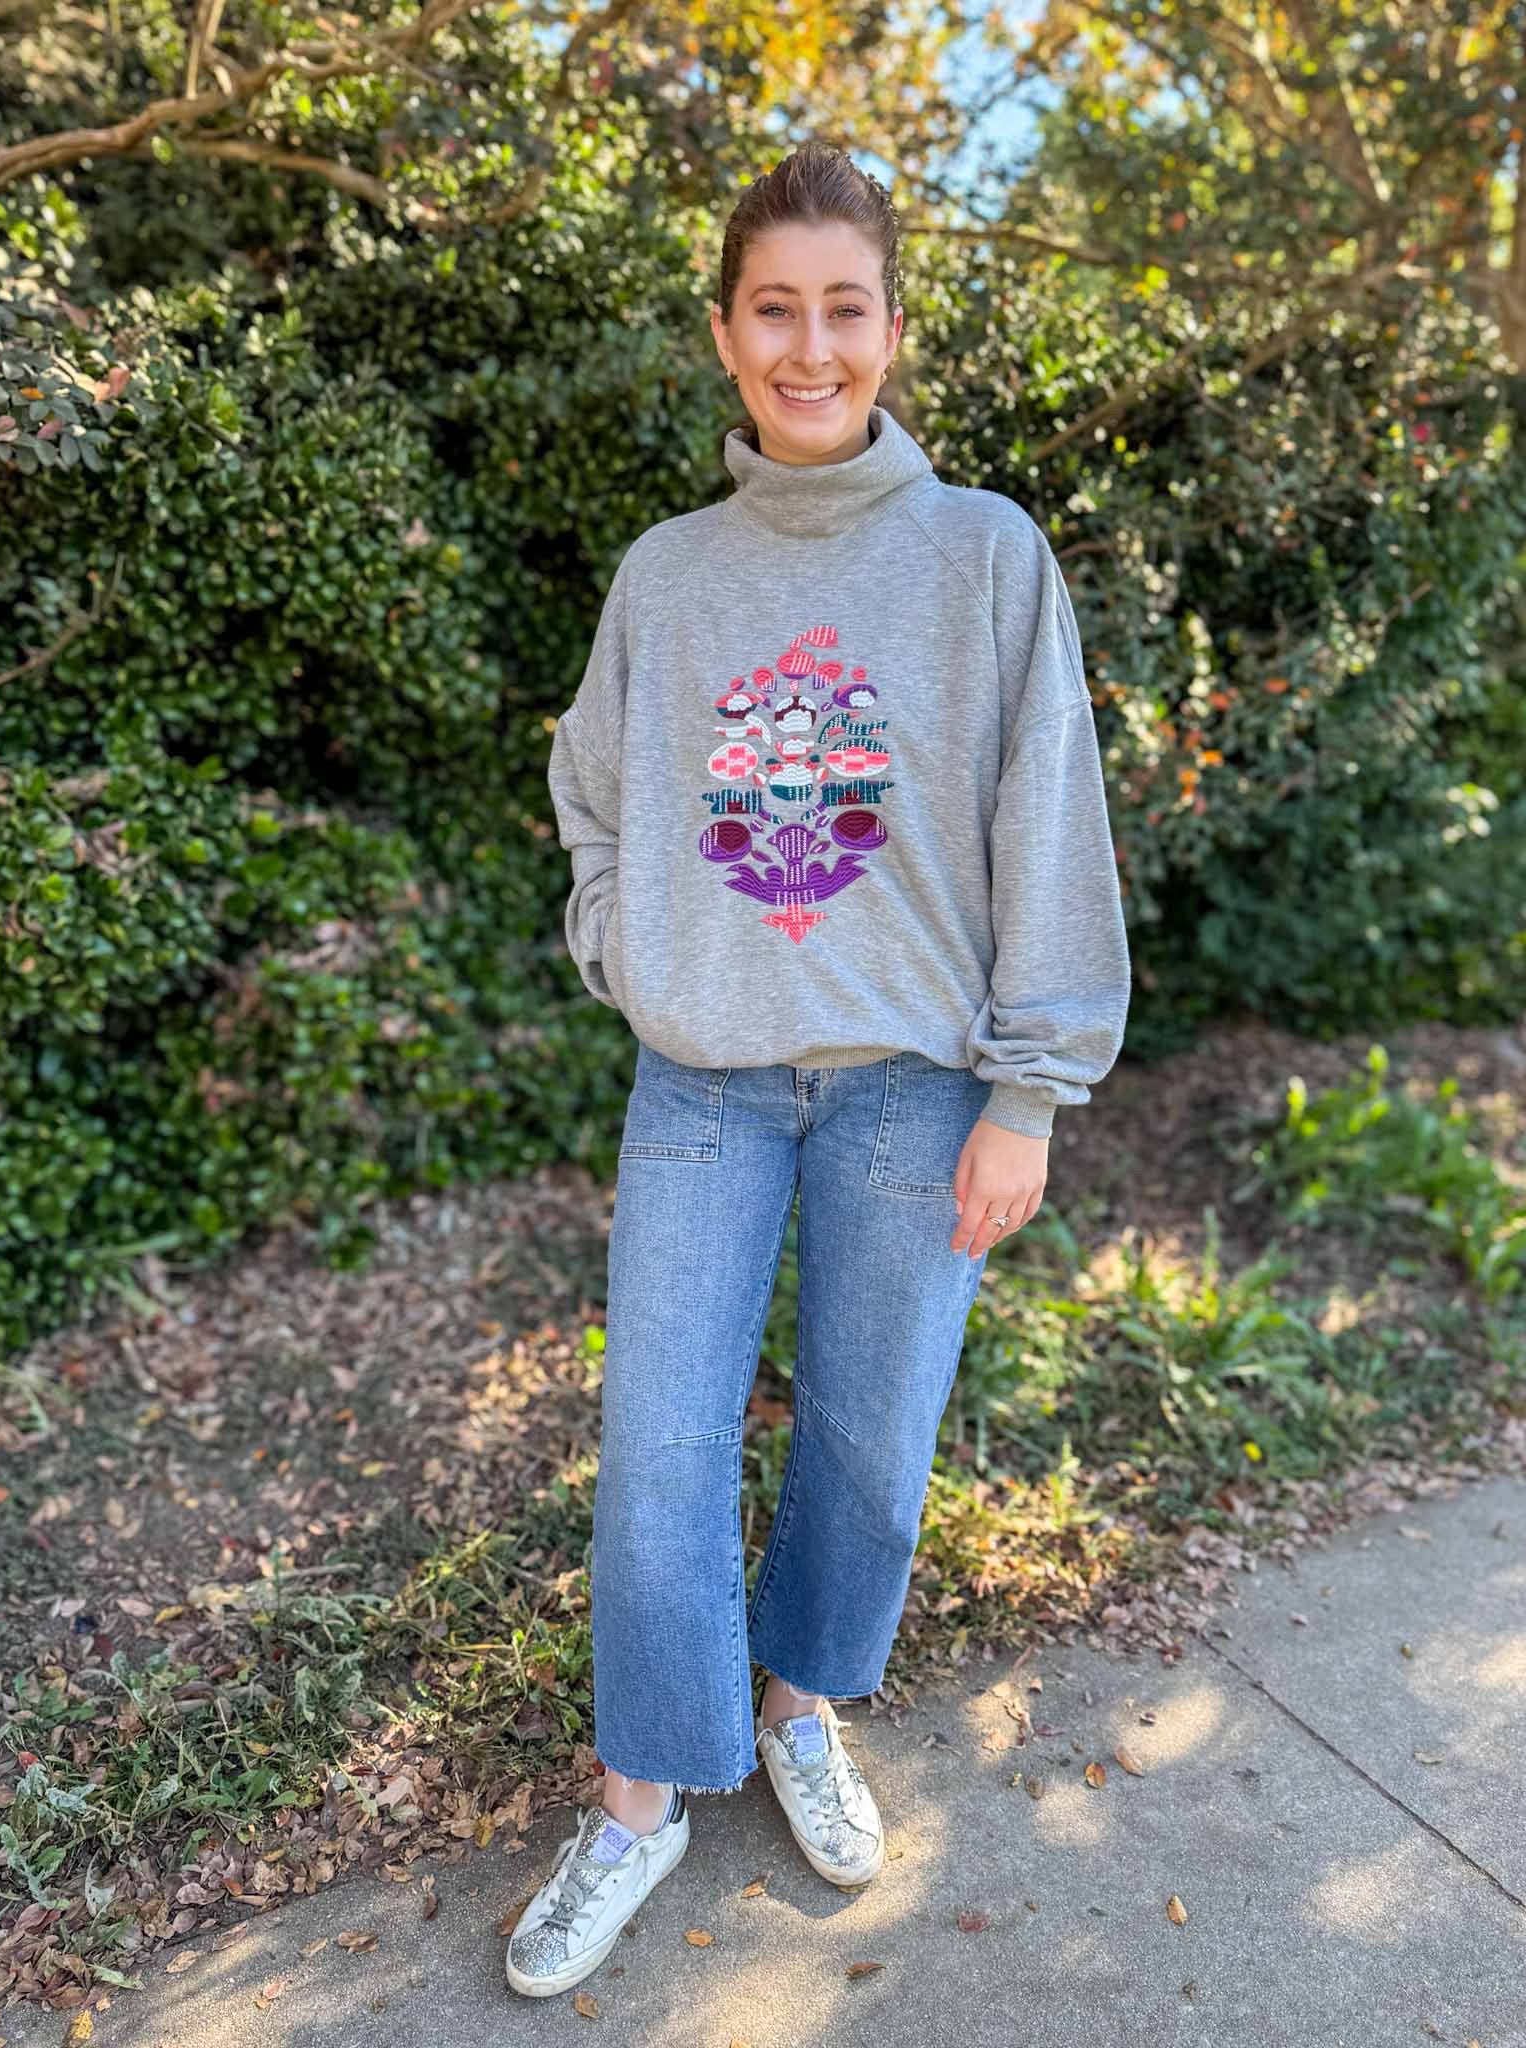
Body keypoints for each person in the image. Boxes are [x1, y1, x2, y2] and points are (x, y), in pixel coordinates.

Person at [510, 140, 1131, 2000]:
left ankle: (800, 1708)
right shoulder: (668, 574)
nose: (809, 346)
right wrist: (625, 947)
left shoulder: (985, 555)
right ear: (724, 333)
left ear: (891, 327)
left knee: (869, 1435)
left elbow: (1048, 817)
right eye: (772, 310)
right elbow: (591, 790)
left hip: (911, 1089)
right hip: (703, 1086)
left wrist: (1028, 1092)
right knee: (658, 1448)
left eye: (842, 308)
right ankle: (639, 1802)